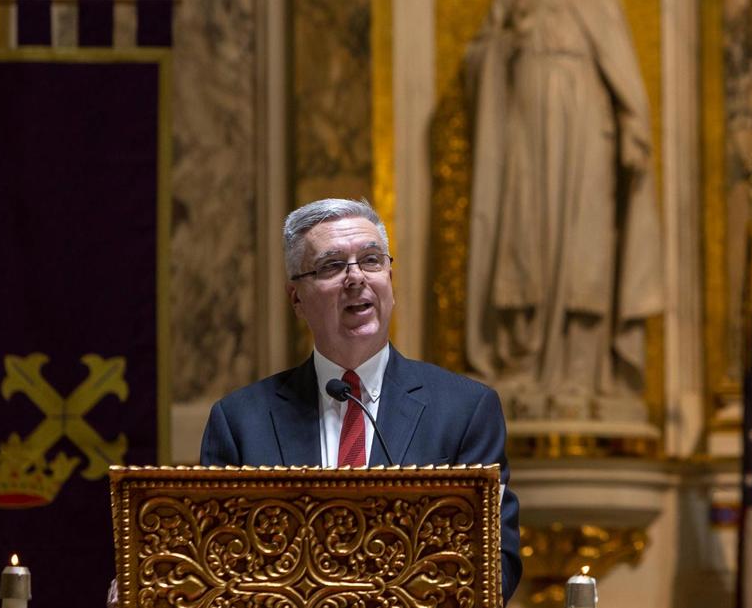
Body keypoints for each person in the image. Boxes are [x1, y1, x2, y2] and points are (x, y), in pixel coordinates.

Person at [200, 198, 522, 604]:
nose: (356, 278)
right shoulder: (240, 421)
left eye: (371, 260)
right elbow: (218, 566)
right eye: (332, 266)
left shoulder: (464, 411)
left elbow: (498, 562)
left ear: (390, 278)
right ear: (296, 298)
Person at [464, 0, 663, 424]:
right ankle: (522, 365)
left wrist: (635, 129)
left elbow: (625, 77)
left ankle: (580, 372)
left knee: (583, 252)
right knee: (524, 241)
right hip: (524, 139)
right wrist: (503, 49)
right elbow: (477, 64)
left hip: (589, 137)